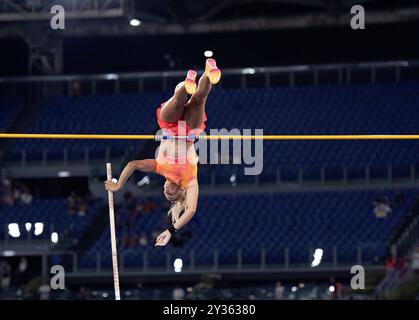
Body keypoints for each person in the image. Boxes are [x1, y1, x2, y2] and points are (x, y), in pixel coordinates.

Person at [105, 58, 221, 246]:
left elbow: (133, 164)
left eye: (165, 193)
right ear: (179, 191)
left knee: (177, 103)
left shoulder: (159, 167)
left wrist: (118, 185)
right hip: (189, 132)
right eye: (171, 194)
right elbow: (190, 211)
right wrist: (171, 231)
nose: (167, 191)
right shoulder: (189, 180)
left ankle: (187, 83)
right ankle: (209, 73)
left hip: (169, 126)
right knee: (199, 100)